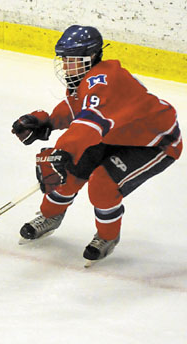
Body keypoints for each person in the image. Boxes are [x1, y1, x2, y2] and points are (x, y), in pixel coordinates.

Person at [11, 25, 182, 264]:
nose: (65, 65)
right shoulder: (86, 78)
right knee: (69, 174)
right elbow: (77, 108)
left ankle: (107, 237)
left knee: (102, 184)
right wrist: (47, 122)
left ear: (90, 57)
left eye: (71, 60)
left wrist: (62, 151)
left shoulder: (105, 79)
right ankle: (50, 217)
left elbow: (89, 124)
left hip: (153, 142)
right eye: (63, 59)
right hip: (114, 133)